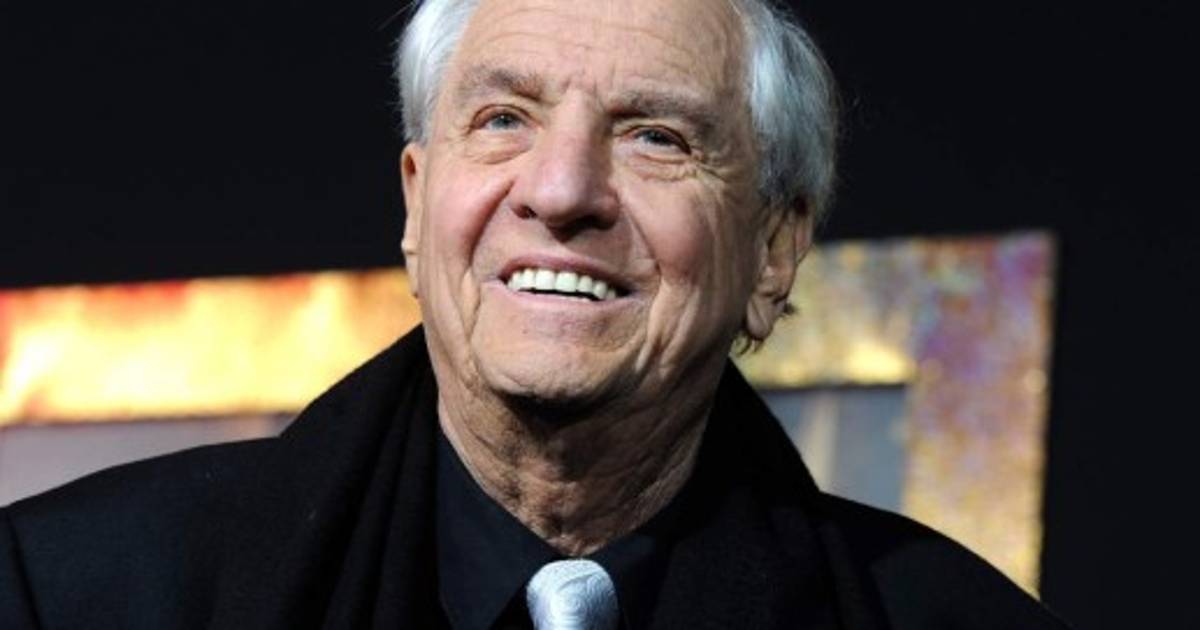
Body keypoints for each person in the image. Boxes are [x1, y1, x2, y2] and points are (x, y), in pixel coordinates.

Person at [1, 0, 1070, 627]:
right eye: (504, 118)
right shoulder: (68, 594)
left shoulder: (952, 620)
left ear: (774, 251)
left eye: (655, 137)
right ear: (418, 202)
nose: (561, 192)